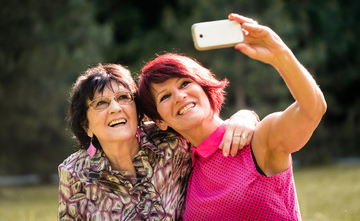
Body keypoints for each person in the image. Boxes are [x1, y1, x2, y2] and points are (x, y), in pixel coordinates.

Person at [138, 13, 327, 220]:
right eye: (165, 96)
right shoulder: (181, 167)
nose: (179, 96)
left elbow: (313, 109)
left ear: (204, 87)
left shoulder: (257, 140)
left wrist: (279, 54)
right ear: (159, 121)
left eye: (185, 83)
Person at [57, 63, 259, 220]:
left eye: (123, 97)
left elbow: (208, 129)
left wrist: (245, 116)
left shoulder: (170, 140)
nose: (115, 108)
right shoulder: (74, 174)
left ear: (137, 111)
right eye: (101, 103)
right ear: (86, 126)